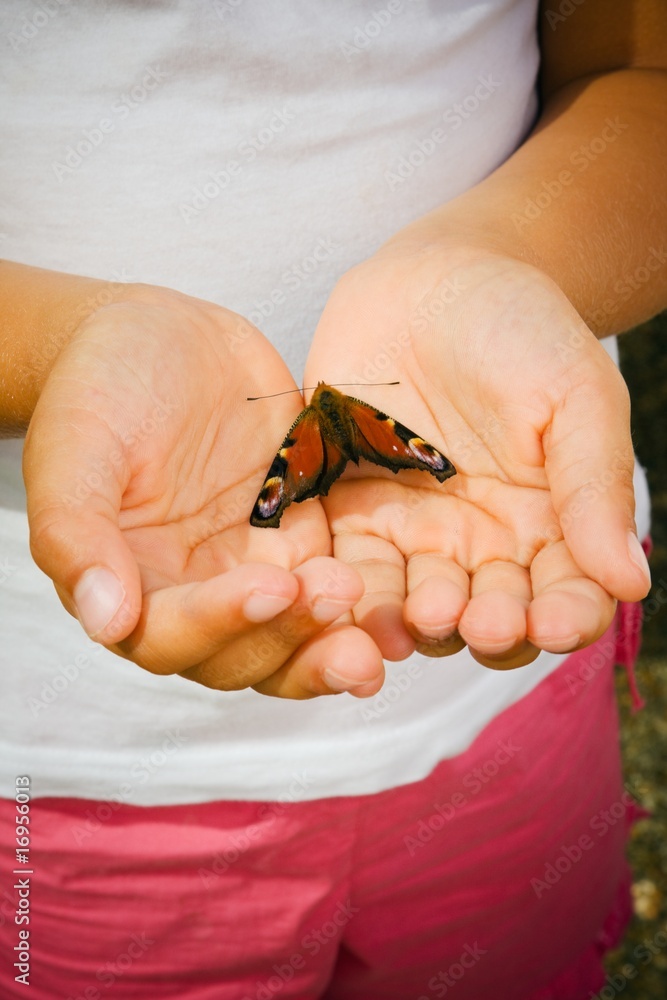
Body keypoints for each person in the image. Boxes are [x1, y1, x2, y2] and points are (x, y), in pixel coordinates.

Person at [0, 1, 664, 996]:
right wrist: (53, 350)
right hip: (69, 761)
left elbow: (637, 80)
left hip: (506, 685)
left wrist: (506, 259)